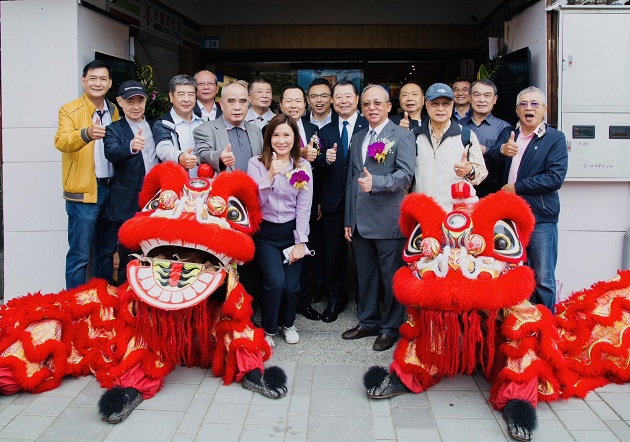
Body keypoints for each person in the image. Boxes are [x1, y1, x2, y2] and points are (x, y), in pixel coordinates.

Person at [343, 85, 415, 351]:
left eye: (377, 103)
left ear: (388, 106)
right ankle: (368, 321)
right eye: (366, 104)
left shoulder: (402, 136)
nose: (371, 108)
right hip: (360, 222)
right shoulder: (360, 137)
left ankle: (390, 327)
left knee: (390, 277)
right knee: (365, 276)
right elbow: (352, 179)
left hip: (387, 220)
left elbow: (406, 175)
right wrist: (348, 220)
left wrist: (378, 183)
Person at [486, 86, 568, 313]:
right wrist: (501, 150)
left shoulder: (555, 138)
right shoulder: (508, 134)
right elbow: (489, 163)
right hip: (509, 218)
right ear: (516, 110)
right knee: (513, 271)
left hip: (540, 216)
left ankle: (544, 327)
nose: (528, 108)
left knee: (542, 275)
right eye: (523, 104)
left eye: (534, 104)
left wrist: (516, 187)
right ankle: (518, 324)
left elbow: (555, 177)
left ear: (544, 110)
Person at [247, 114, 313, 347]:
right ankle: (270, 329)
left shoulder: (302, 165)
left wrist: (300, 242)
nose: (281, 140)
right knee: (275, 283)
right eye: (276, 135)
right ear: (269, 138)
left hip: (291, 233)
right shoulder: (256, 163)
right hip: (265, 234)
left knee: (293, 286)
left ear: (295, 138)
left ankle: (289, 324)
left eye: (287, 135)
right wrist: (271, 175)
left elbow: (304, 206)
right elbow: (254, 202)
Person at [54, 60, 120, 289]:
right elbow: (61, 141)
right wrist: (86, 134)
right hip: (84, 192)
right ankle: (73, 307)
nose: (98, 83)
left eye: (103, 79)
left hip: (111, 189)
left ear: (110, 83)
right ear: (84, 81)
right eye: (93, 78)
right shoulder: (69, 110)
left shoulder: (114, 110)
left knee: (105, 252)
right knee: (80, 254)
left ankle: (100, 303)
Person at [315, 80, 368, 322]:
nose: (343, 101)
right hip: (333, 202)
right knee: (332, 254)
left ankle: (365, 302)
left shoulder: (369, 125)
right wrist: (324, 159)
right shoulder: (324, 132)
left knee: (364, 254)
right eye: (339, 97)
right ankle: (336, 299)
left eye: (348, 96)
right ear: (332, 102)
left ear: (357, 100)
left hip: (363, 200)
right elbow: (315, 166)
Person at [103, 80, 158, 285]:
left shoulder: (156, 125)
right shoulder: (113, 129)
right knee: (127, 251)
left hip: (155, 198)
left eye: (140, 100)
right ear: (119, 102)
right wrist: (131, 146)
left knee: (153, 249)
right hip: (126, 200)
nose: (136, 106)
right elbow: (111, 152)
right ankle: (126, 295)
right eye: (130, 101)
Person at [278, 85, 323, 321]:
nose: (294, 105)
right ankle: (281, 303)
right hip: (279, 203)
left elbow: (321, 167)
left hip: (307, 200)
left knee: (305, 249)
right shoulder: (272, 129)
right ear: (281, 105)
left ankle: (303, 302)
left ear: (305, 105)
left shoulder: (314, 129)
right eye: (289, 101)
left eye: (298, 101)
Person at [412, 83, 488, 211]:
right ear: (426, 105)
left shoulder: (466, 135)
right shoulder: (415, 135)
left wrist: (469, 170)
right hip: (422, 211)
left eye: (445, 104)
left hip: (455, 213)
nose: (440, 109)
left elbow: (482, 173)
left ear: (452, 105)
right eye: (435, 103)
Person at [193, 82, 263, 174]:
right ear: (221, 104)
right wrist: (219, 156)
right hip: (222, 186)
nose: (237, 107)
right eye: (231, 101)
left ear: (248, 103)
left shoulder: (256, 131)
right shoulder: (205, 129)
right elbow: (201, 154)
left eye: (242, 101)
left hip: (253, 187)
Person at [460, 79, 511, 197]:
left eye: (487, 95)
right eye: (477, 95)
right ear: (470, 98)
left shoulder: (505, 128)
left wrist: (485, 150)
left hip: (492, 190)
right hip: (461, 188)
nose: (481, 100)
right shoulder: (457, 125)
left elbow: (507, 162)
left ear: (495, 99)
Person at [152, 75, 202, 177]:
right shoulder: (163, 124)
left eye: (191, 94)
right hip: (176, 184)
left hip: (203, 184)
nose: (186, 99)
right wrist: (179, 157)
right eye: (181, 94)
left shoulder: (204, 122)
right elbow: (163, 148)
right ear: (171, 96)